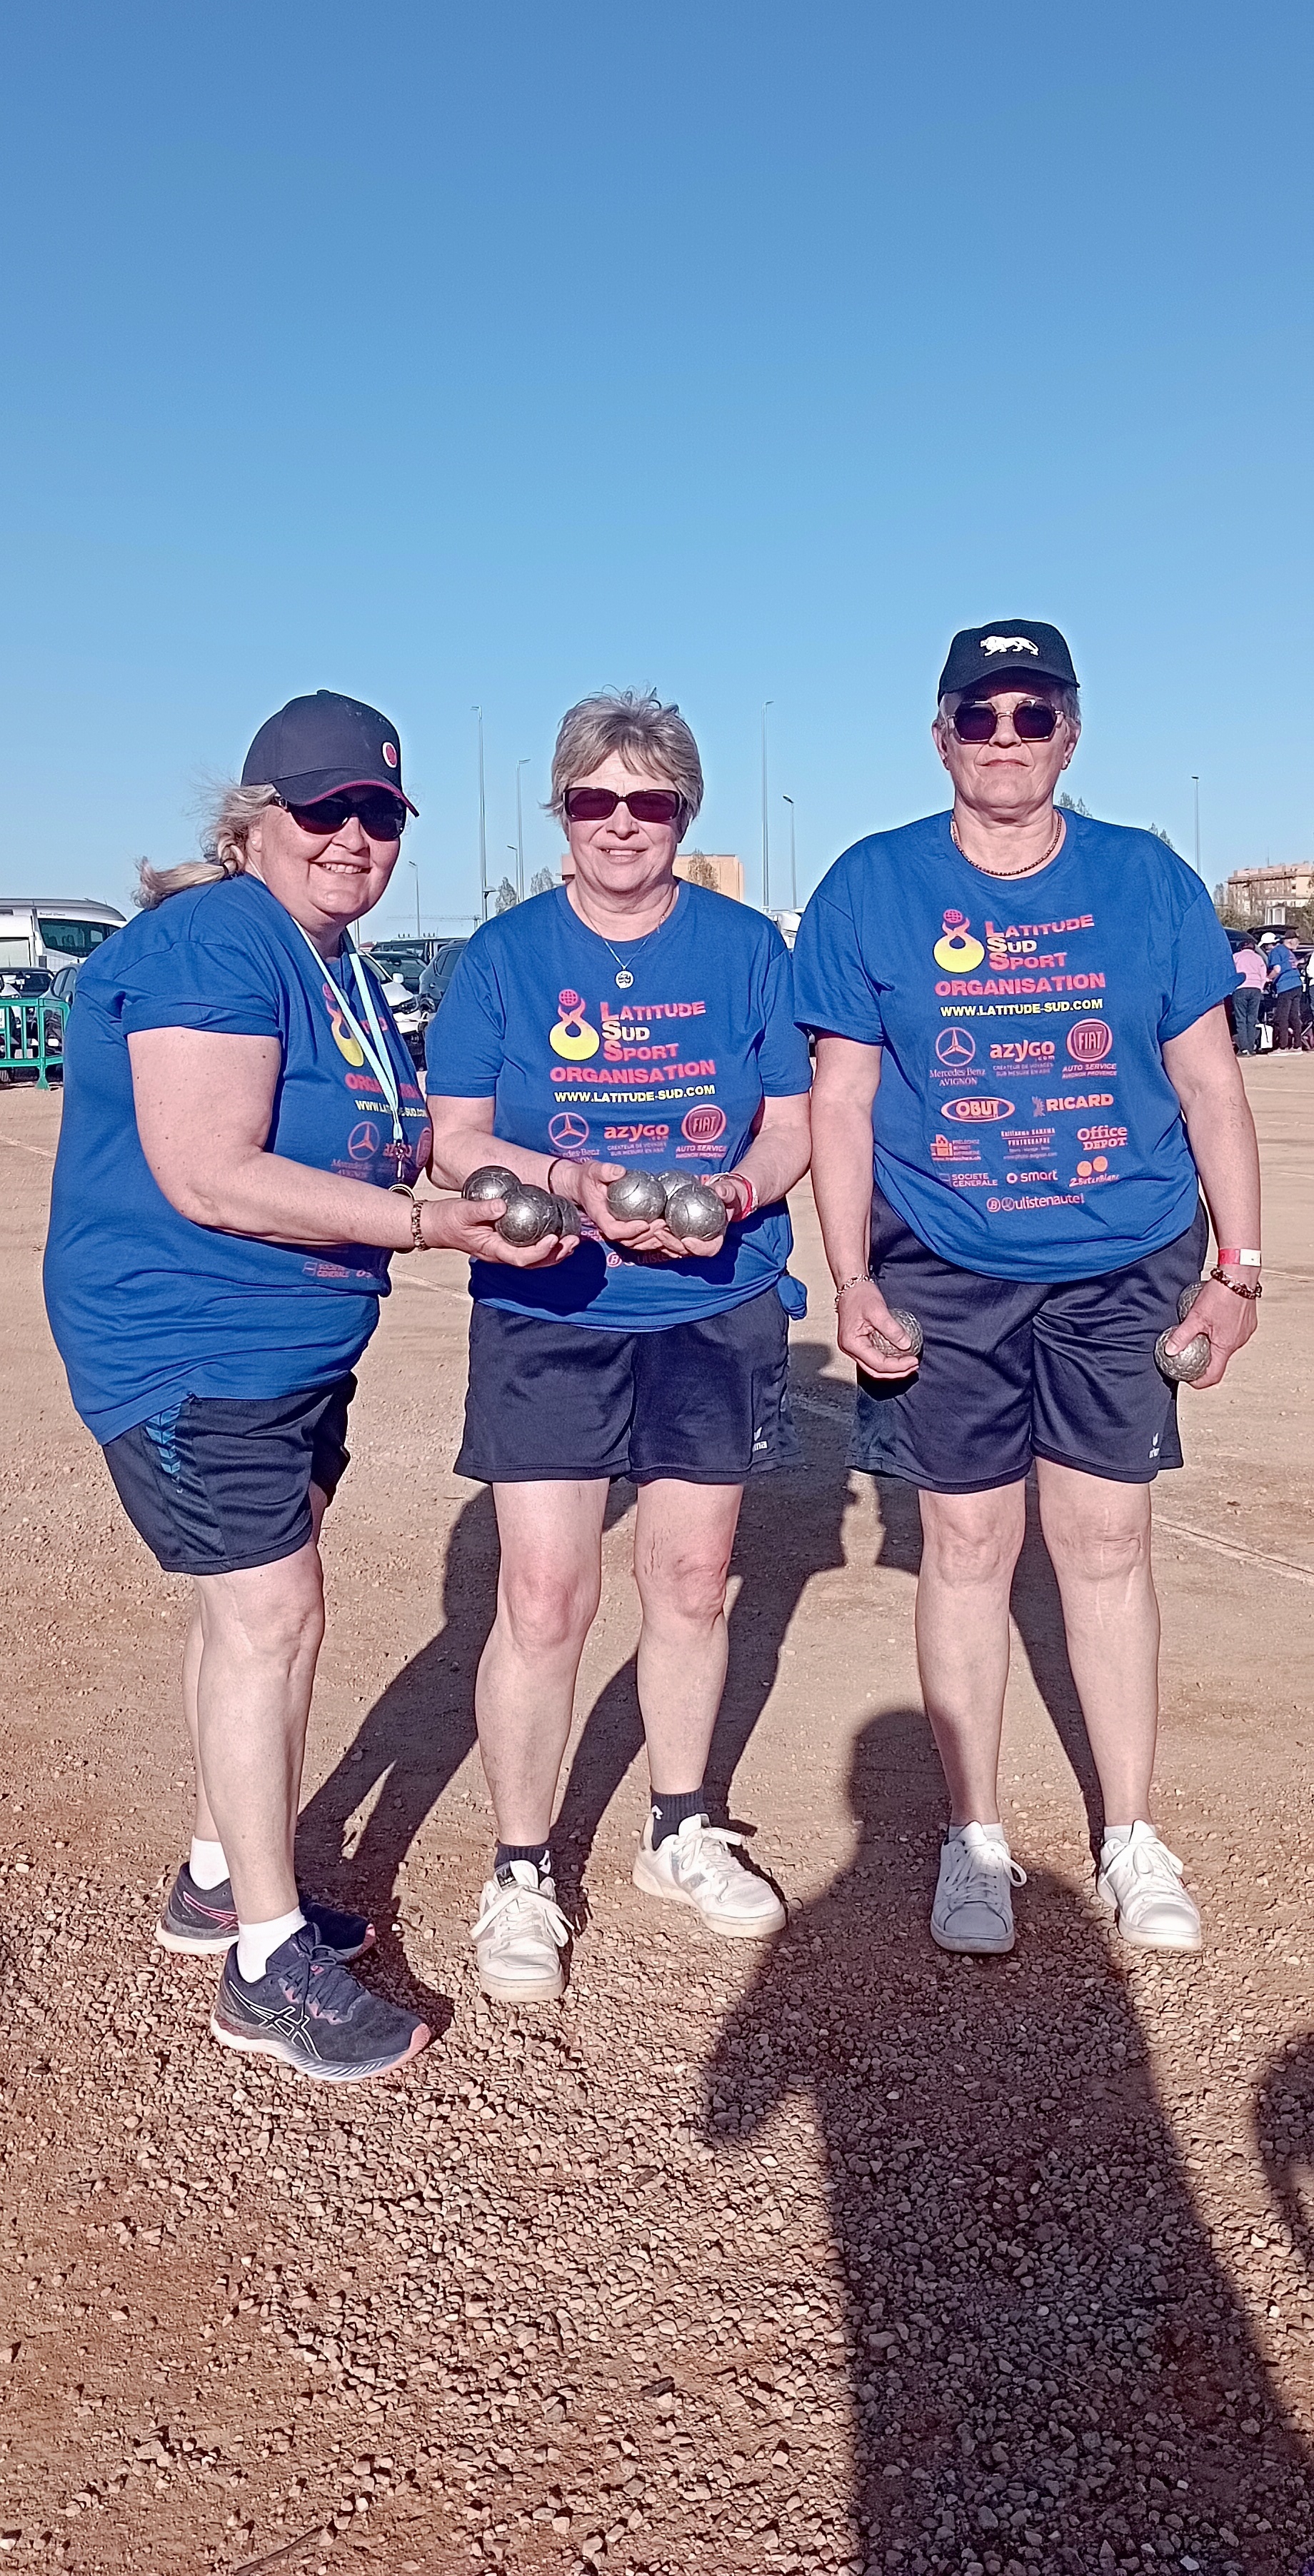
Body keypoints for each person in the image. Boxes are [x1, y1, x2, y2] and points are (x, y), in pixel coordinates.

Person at [44, 690, 543, 2086]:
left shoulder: (334, 963)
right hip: (187, 1343)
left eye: (378, 812)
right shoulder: (214, 939)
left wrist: (508, 1191)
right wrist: (428, 1230)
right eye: (323, 808)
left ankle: (218, 1875)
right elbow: (210, 1171)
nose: (352, 835)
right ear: (254, 819)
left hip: (288, 1348)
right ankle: (266, 1961)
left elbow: (393, 1148)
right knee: (272, 1613)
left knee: (256, 1609)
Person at [795, 619, 1260, 1959]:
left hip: (1123, 1260)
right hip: (945, 1262)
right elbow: (842, 1093)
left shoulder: (1147, 881)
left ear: (1072, 729)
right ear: (942, 733)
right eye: (981, 714)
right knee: (970, 1547)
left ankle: (1128, 1834)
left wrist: (1238, 1268)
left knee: (1108, 1545)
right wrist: (851, 1273)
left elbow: (1210, 1081)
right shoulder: (873, 884)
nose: (1008, 737)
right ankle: (975, 1837)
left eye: (1034, 712)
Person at [426, 690, 813, 2003]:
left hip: (712, 1298)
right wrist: (565, 1176)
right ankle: (522, 1868)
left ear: (683, 814)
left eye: (649, 803)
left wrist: (741, 1202)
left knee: (694, 1581)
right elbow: (456, 1136)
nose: (622, 826)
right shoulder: (503, 954)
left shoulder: (749, 946)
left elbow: (790, 1124)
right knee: (543, 1597)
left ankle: (678, 1826)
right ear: (563, 812)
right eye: (596, 801)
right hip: (551, 1306)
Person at [1265, 930, 1304, 1050]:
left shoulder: (1276, 951)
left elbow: (1277, 969)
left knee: (1282, 1017)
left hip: (1285, 986)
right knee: (1294, 1016)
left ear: (1270, 945)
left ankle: (1283, 1046)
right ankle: (1297, 1045)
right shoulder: (1289, 952)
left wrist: (1268, 978)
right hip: (1297, 984)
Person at [1231, 932, 1268, 1056]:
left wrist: (1231, 989)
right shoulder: (1259, 958)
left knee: (1241, 1019)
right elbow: (1264, 975)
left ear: (1241, 948)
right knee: (1252, 1019)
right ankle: (1251, 1048)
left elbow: (1231, 974)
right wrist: (1261, 987)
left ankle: (1244, 1049)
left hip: (1241, 988)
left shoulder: (1236, 957)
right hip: (1256, 989)